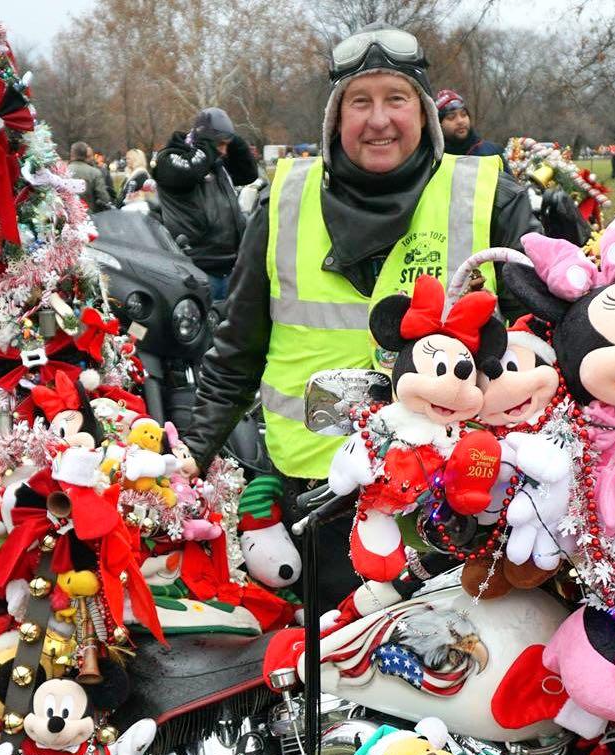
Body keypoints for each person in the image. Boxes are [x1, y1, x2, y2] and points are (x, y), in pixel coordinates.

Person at [179, 28, 532, 605]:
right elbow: (236, 347)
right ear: (334, 120)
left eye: (396, 99)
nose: (379, 120)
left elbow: (534, 341)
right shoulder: (285, 202)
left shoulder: (490, 198)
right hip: (325, 495)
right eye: (359, 102)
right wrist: (190, 455)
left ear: (424, 114)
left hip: (460, 492)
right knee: (342, 666)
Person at [151, 108, 257, 301]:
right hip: (198, 269)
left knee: (231, 329)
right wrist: (207, 143)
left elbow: (249, 174)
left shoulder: (215, 161)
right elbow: (187, 173)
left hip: (231, 266)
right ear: (206, 141)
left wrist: (233, 139)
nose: (225, 151)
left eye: (227, 145)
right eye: (221, 144)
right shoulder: (168, 160)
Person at [434, 89, 500, 157]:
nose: (460, 121)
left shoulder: (493, 153)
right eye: (451, 117)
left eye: (464, 114)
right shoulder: (430, 157)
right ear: (439, 124)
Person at [67, 141, 115, 213]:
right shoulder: (94, 173)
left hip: (68, 216)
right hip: (89, 215)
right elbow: (104, 198)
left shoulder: (63, 171)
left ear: (72, 154)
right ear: (86, 154)